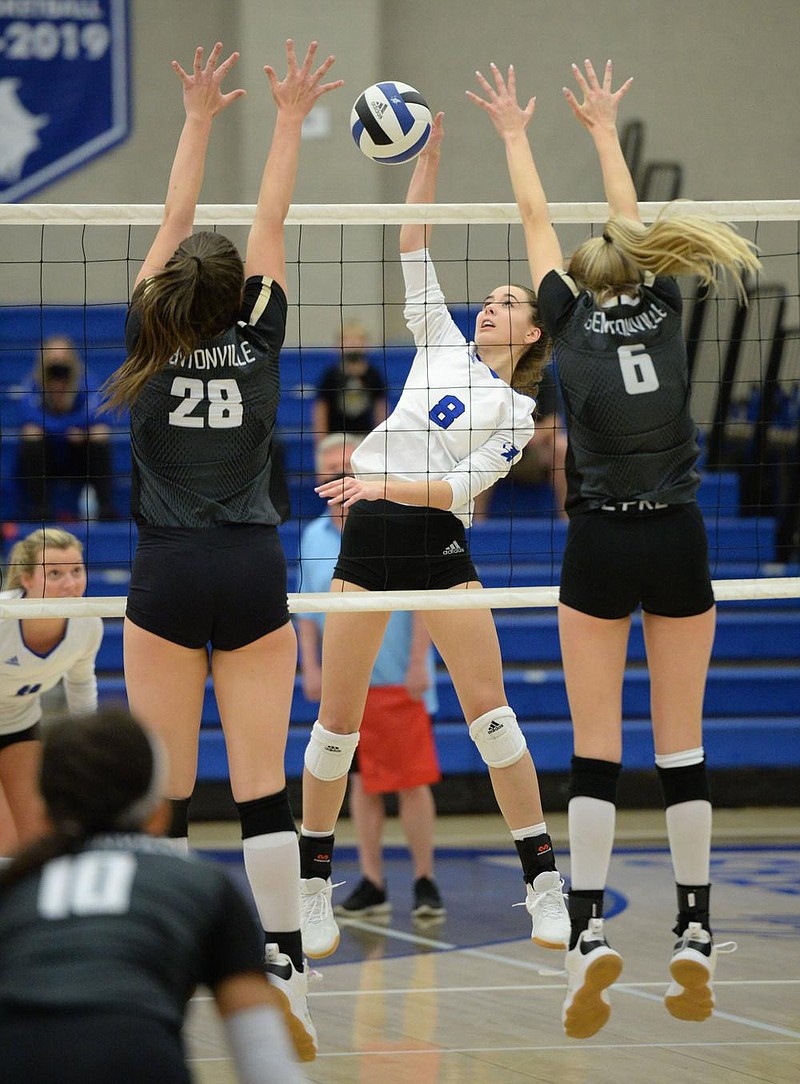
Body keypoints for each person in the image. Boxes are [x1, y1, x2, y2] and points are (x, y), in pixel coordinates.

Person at [470, 57, 760, 1037]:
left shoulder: (565, 325)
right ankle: (691, 925)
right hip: (676, 539)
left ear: (574, 289)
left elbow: (532, 222)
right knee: (681, 746)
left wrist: (514, 131)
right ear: (638, 272)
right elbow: (627, 221)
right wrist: (603, 127)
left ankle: (588, 929)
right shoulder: (665, 311)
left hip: (595, 543)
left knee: (595, 752)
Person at [101, 40, 342, 1058]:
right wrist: (285, 120)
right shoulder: (261, 331)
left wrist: (196, 117)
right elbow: (271, 220)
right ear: (234, 290)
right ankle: (282, 956)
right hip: (251, 567)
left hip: (165, 570)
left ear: (171, 292)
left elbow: (173, 223)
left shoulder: (147, 338)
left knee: (162, 790)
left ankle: (153, 958)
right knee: (262, 787)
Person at [297, 111, 569, 961]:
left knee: (494, 719)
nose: (492, 305)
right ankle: (313, 891)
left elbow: (456, 490)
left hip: (439, 545)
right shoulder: (439, 339)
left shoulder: (521, 413)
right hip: (368, 540)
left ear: (534, 335)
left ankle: (545, 885)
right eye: (490, 297)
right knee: (335, 730)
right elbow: (412, 241)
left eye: (510, 302)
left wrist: (378, 479)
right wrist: (430, 158)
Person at [0, 705, 307, 1083]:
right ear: (159, 812)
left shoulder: (14, 885)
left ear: (44, 813)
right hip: (137, 1056)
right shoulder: (204, 885)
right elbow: (267, 1067)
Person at [296, 432, 444, 921]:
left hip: (397, 678)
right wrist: (311, 668)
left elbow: (427, 599)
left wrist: (419, 663)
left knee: (412, 782)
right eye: (330, 467)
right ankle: (373, 881)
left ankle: (425, 880)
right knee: (360, 782)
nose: (339, 474)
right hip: (347, 682)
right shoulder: (314, 534)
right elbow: (309, 612)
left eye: (347, 464)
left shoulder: (394, 516)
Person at [0, 527, 102, 857]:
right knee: (5, 842)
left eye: (76, 570)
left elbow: (81, 685)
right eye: (55, 573)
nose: (71, 584)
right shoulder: (3, 617)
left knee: (37, 841)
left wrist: (90, 751)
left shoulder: (87, 624)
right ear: (26, 579)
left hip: (18, 725)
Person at [15, 335, 118, 521]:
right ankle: (40, 509)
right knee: (31, 431)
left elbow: (100, 413)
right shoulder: (32, 384)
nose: (57, 364)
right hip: (47, 457)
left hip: (78, 456)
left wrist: (76, 430)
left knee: (99, 432)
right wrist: (65, 431)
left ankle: (106, 509)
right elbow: (26, 415)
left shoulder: (86, 380)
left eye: (62, 359)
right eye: (52, 359)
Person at [473, 363, 568, 521]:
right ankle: (475, 529)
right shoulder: (488, 373)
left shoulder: (541, 373)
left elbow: (555, 422)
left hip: (533, 452)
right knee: (476, 446)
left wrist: (529, 434)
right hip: (496, 452)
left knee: (561, 446)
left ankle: (567, 525)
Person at [311, 321, 388, 443]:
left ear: (366, 344)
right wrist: (321, 441)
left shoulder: (373, 374)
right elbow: (321, 409)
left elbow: (381, 408)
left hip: (364, 437)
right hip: (336, 438)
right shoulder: (331, 375)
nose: (353, 344)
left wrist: (381, 438)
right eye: (347, 340)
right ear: (338, 345)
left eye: (358, 339)